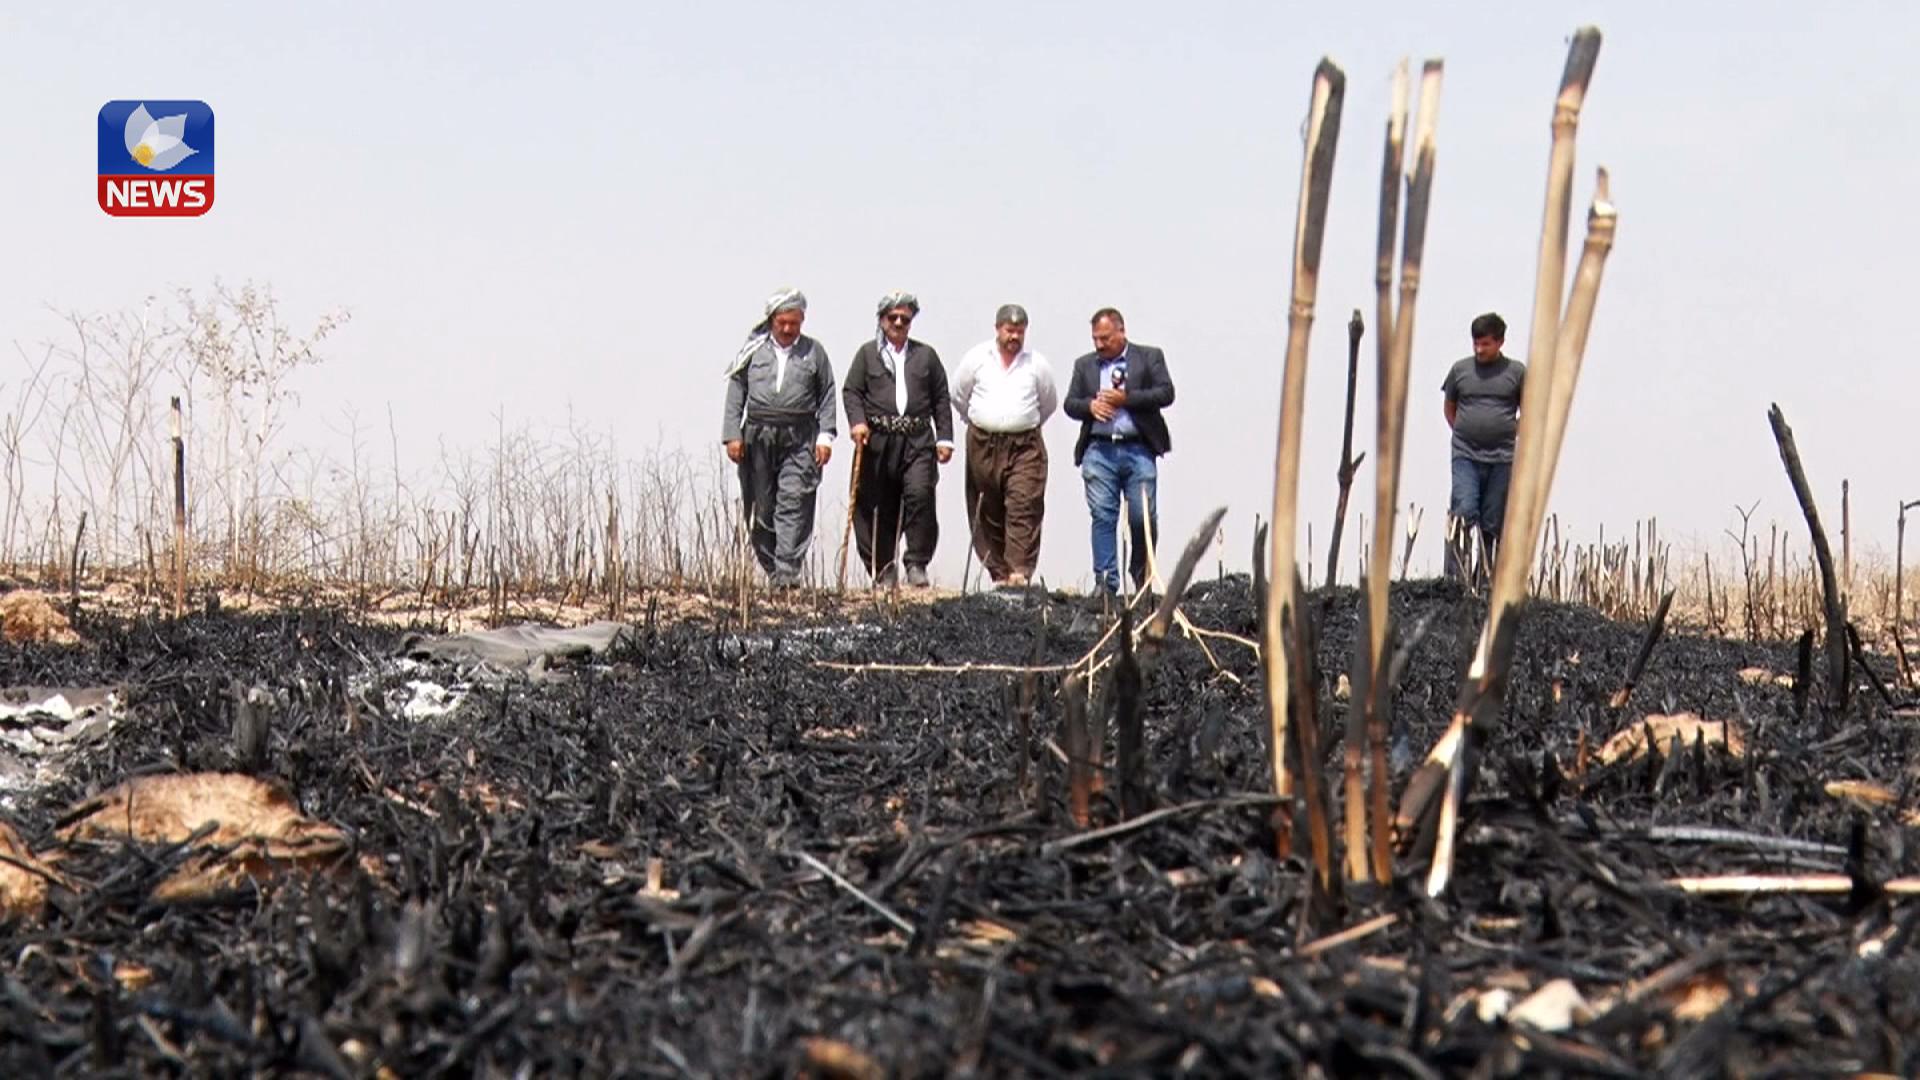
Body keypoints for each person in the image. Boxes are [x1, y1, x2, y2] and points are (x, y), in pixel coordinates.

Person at [721, 287, 837, 588]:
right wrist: (732, 435)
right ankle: (772, 569)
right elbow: (736, 391)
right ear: (771, 320)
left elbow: (827, 394)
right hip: (758, 437)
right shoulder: (753, 352)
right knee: (762, 508)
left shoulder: (814, 352)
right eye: (782, 322)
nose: (787, 329)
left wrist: (825, 436)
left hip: (801, 438)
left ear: (802, 321)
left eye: (793, 323)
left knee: (794, 501)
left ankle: (787, 573)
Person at [841, 291, 954, 588]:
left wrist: (945, 438)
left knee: (920, 495)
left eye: (905, 318)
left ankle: (916, 563)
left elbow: (941, 397)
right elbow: (852, 391)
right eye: (893, 317)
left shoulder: (926, 356)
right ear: (882, 320)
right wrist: (857, 422)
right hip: (877, 442)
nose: (899, 323)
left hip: (917, 440)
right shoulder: (868, 354)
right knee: (876, 504)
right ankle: (883, 568)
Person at [1064, 307, 1175, 598]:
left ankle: (1141, 575)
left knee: (1142, 517)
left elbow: (1166, 393)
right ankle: (1105, 582)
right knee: (1103, 516)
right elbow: (1070, 404)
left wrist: (1126, 399)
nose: (1099, 344)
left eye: (1105, 338)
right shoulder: (1084, 365)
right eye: (1095, 339)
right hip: (1099, 451)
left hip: (1139, 449)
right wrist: (1090, 406)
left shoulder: (1149, 357)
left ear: (1121, 332)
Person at [950, 303, 1059, 588]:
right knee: (988, 507)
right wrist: (980, 420)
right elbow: (959, 395)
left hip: (1025, 445)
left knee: (1024, 503)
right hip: (983, 443)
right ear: (998, 329)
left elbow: (1048, 402)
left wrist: (1020, 422)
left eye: (1020, 332)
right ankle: (998, 572)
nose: (1014, 337)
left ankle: (1019, 571)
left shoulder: (1036, 365)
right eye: (1010, 330)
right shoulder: (977, 359)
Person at [1440, 311, 1525, 582]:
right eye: (1475, 343)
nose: (1479, 349)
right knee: (1464, 510)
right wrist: (1465, 432)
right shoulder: (1460, 371)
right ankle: (1455, 578)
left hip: (1502, 458)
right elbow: (1450, 408)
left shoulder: (1516, 373)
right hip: (1466, 455)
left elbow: (1531, 410)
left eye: (1485, 344)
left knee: (1493, 521)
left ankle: (1486, 579)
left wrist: (1510, 431)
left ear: (1500, 342)